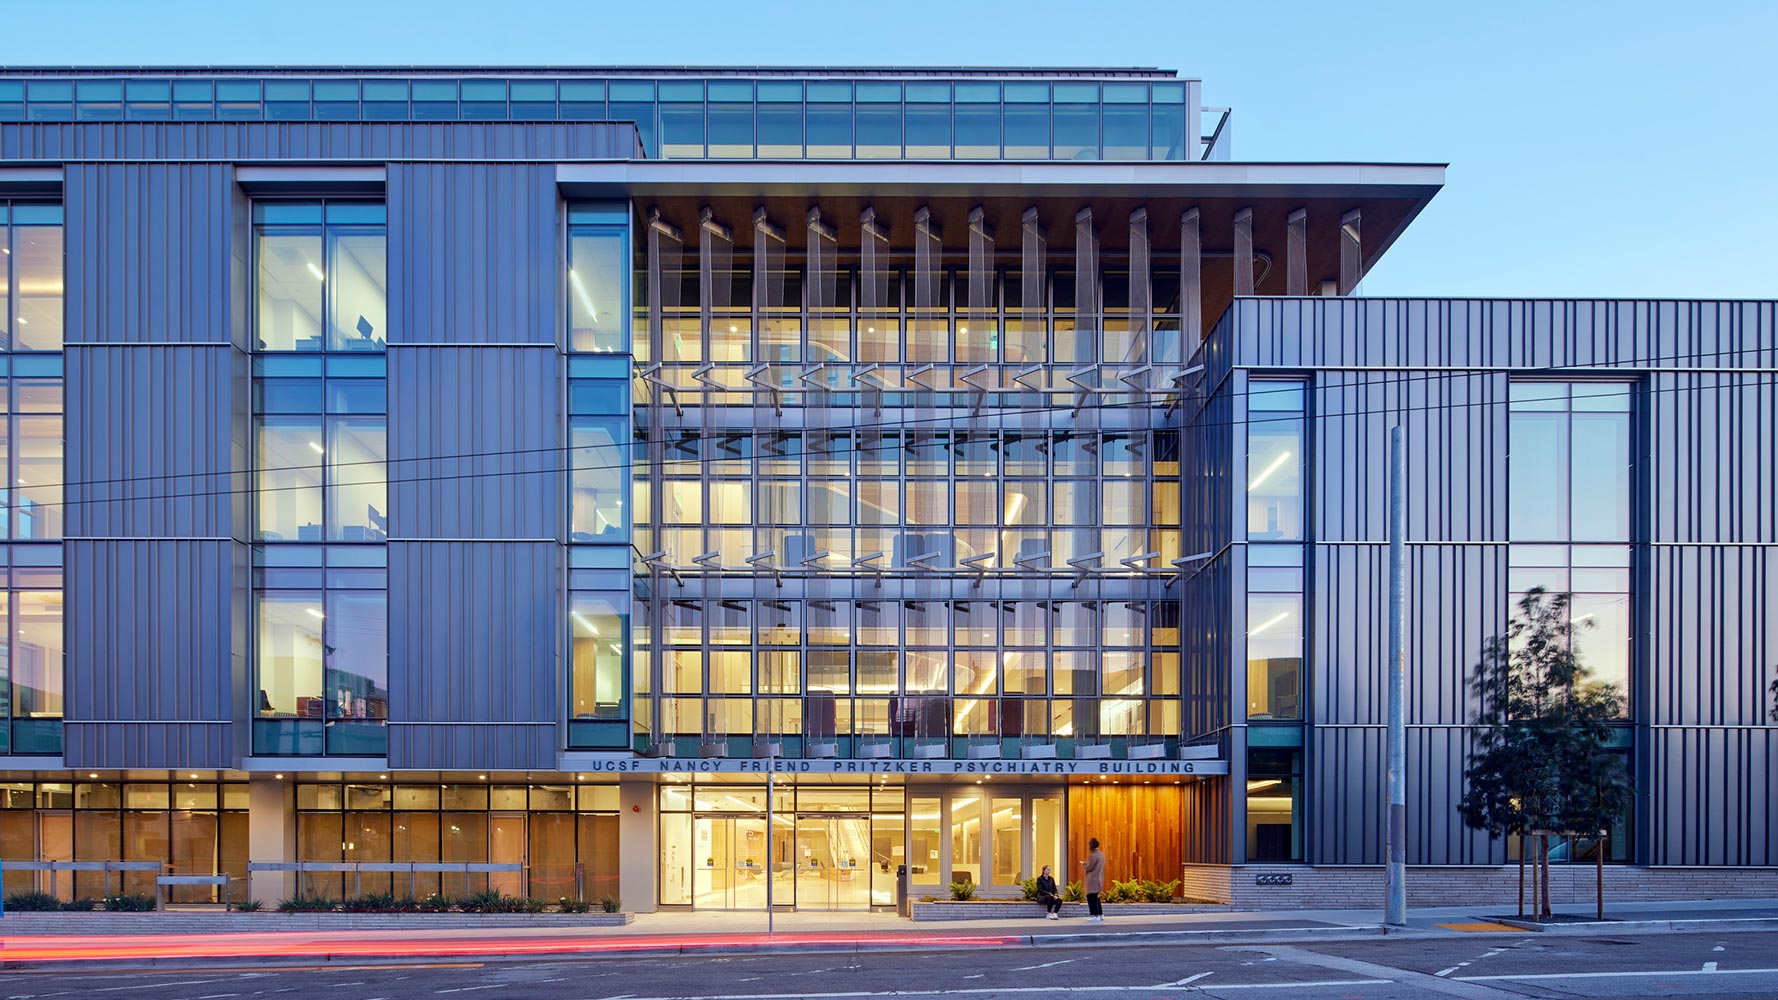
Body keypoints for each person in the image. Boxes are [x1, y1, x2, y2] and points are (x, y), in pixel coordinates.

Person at [1081, 837, 1106, 921]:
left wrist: (1083, 864)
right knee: (1096, 897)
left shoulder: (1093, 855)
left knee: (1091, 897)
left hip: (1092, 879)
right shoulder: (1101, 855)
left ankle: (1095, 915)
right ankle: (1100, 914)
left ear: (1091, 846)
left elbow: (1089, 867)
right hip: (1099, 878)